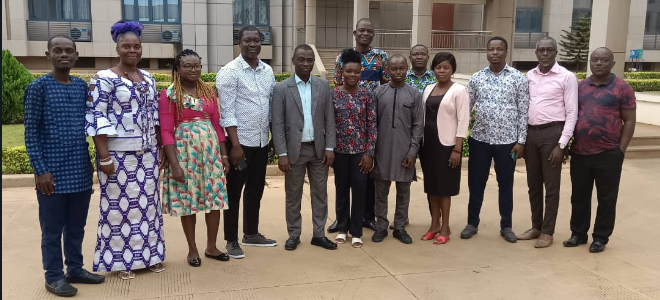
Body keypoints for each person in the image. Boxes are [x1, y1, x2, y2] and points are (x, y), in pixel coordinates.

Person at [24, 35, 105, 297]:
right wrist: (40, 170)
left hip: (79, 171)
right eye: (57, 51)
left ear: (76, 55)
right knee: (51, 230)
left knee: (76, 227)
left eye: (68, 51)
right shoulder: (39, 88)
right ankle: (54, 276)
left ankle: (75, 269)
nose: (63, 55)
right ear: (48, 55)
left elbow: (94, 124)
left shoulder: (82, 87)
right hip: (52, 174)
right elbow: (31, 134)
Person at [86, 20, 165, 280]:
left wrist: (160, 146)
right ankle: (121, 262)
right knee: (120, 209)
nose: (132, 50)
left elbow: (155, 117)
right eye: (126, 46)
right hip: (118, 156)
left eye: (136, 46)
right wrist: (104, 156)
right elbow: (97, 118)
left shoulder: (150, 78)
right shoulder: (102, 79)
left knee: (148, 207)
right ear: (117, 48)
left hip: (149, 154)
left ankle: (150, 256)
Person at [159, 49, 230, 267]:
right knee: (187, 202)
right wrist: (174, 164)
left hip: (210, 154)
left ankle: (211, 245)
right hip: (184, 154)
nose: (193, 70)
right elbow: (166, 131)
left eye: (197, 65)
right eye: (188, 66)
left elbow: (217, 125)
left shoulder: (209, 91)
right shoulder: (169, 94)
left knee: (215, 199)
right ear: (178, 69)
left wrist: (224, 154)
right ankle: (192, 249)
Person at [563, 47, 636, 253]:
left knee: (606, 198)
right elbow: (570, 115)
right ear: (590, 62)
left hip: (608, 154)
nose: (599, 63)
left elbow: (629, 121)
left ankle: (600, 237)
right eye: (595, 59)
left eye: (604, 60)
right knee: (579, 196)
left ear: (612, 63)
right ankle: (578, 233)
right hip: (580, 153)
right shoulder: (580, 87)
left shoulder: (623, 88)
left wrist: (620, 150)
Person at [216, 25, 277, 259]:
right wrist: (236, 145)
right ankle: (231, 240)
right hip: (239, 144)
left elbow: (271, 108)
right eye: (247, 41)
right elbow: (227, 112)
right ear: (239, 43)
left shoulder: (267, 71)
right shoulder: (230, 72)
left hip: (261, 142)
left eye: (256, 41)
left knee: (256, 189)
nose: (252, 45)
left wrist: (271, 137)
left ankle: (251, 233)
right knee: (233, 193)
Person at [461, 36, 529, 243]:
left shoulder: (518, 78)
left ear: (506, 52)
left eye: (499, 49)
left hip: (507, 141)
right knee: (476, 183)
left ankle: (506, 225)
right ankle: (472, 223)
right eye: (491, 49)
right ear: (487, 52)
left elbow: (523, 111)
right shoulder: (477, 78)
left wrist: (521, 141)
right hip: (480, 139)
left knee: (505, 184)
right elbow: (465, 108)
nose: (495, 53)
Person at [271, 44, 338, 251]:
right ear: (294, 60)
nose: (306, 63)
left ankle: (319, 234)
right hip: (293, 152)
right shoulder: (282, 88)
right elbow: (278, 123)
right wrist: (282, 153)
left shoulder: (323, 86)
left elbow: (330, 119)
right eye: (302, 59)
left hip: (318, 150)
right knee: (293, 195)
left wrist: (329, 147)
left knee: (320, 194)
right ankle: (294, 234)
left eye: (310, 60)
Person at [328, 18, 389, 233]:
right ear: (355, 33)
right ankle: (341, 220)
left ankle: (367, 217)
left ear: (373, 34)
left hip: (369, 119)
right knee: (342, 184)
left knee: (367, 179)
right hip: (344, 132)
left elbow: (388, 83)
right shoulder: (342, 57)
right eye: (361, 30)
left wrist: (369, 149)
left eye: (369, 31)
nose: (365, 33)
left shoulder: (381, 56)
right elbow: (336, 85)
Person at [518, 37, 578, 248]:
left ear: (555, 52)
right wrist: (523, 139)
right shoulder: (529, 76)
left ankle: (547, 231)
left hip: (553, 134)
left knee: (551, 187)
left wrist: (562, 144)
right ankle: (536, 226)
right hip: (531, 134)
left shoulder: (566, 77)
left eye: (549, 50)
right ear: (536, 53)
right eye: (541, 50)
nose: (545, 54)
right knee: (533, 184)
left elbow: (572, 113)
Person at [371, 55, 423, 244]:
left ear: (407, 69)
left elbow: (418, 126)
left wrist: (412, 152)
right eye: (394, 69)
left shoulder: (415, 95)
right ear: (388, 70)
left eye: (402, 68)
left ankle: (400, 227)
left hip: (404, 152)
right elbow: (372, 124)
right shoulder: (378, 93)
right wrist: (372, 151)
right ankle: (381, 226)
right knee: (381, 192)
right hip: (382, 151)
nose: (398, 72)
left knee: (403, 192)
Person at [419, 52, 470, 245]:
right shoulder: (429, 88)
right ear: (433, 69)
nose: (442, 71)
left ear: (452, 69)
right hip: (428, 145)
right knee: (432, 188)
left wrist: (457, 149)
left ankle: (445, 227)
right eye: (438, 67)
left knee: (444, 189)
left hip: (447, 146)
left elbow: (463, 120)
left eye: (446, 67)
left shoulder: (459, 90)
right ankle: (434, 225)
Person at [331, 48, 377, 248]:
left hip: (360, 153)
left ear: (361, 73)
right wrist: (329, 150)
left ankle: (356, 231)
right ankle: (342, 228)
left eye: (356, 72)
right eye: (348, 71)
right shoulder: (333, 95)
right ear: (342, 72)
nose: (352, 75)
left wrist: (369, 153)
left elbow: (372, 125)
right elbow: (328, 124)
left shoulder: (367, 95)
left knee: (359, 192)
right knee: (341, 191)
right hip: (340, 153)